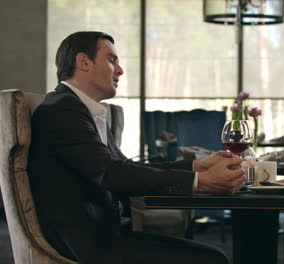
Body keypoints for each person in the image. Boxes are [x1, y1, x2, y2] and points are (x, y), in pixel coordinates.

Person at [27, 31, 245, 264]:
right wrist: (201, 182)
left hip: (104, 235)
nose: (119, 70)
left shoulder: (78, 108)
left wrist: (196, 166)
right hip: (89, 246)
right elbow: (112, 174)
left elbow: (125, 167)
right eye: (112, 60)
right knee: (212, 260)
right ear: (83, 62)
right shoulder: (62, 110)